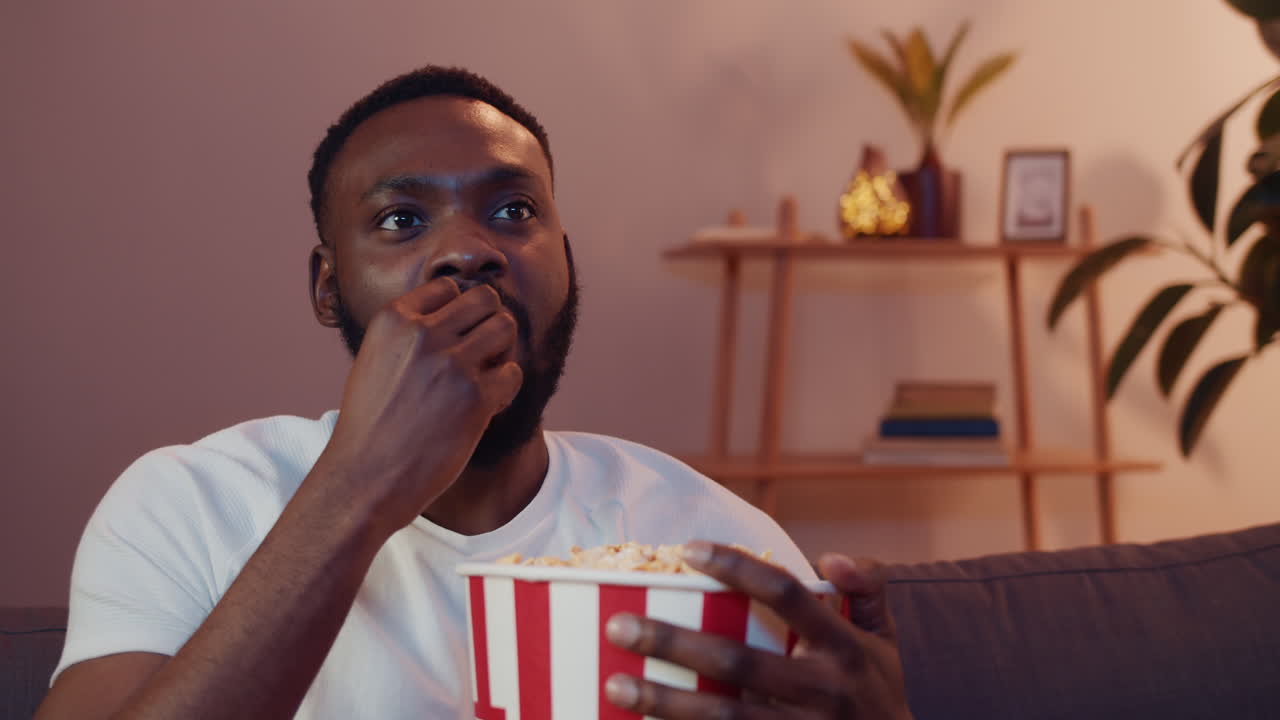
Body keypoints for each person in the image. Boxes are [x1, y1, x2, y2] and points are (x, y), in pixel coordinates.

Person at [35, 66, 914, 720]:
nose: (468, 250)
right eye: (401, 220)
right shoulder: (186, 505)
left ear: (565, 262)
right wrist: (360, 484)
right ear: (328, 288)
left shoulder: (706, 535)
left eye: (514, 211)